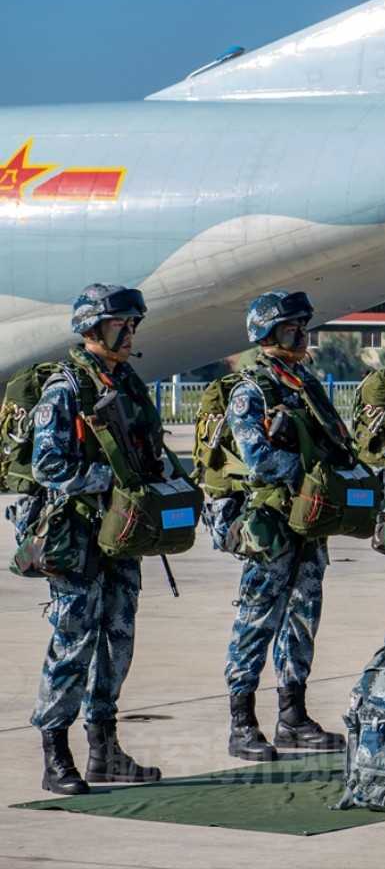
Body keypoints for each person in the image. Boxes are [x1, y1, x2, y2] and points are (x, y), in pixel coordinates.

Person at [29, 284, 165, 794]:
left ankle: (104, 750)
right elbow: (48, 466)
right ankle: (56, 753)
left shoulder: (128, 383)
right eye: (118, 325)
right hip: (79, 537)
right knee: (74, 642)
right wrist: (110, 479)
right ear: (91, 329)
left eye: (132, 325)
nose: (129, 334)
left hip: (122, 534)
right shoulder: (65, 388)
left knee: (117, 640)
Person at [223, 291, 349, 761]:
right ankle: (241, 723)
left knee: (302, 618)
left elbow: (337, 440)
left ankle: (292, 716)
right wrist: (312, 472)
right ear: (268, 332)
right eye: (291, 327)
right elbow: (258, 458)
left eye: (302, 325)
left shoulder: (305, 382)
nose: (301, 333)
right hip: (272, 524)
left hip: (309, 521)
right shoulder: (251, 390)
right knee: (256, 620)